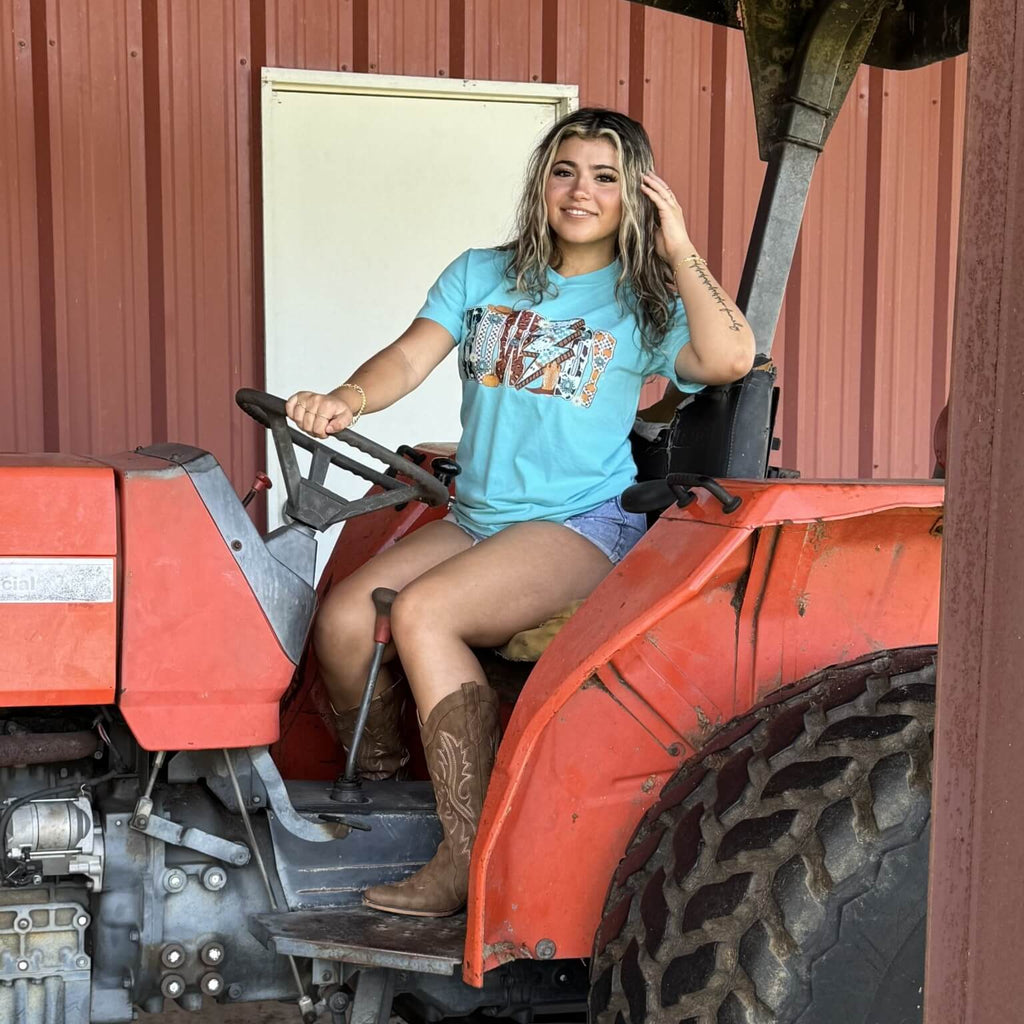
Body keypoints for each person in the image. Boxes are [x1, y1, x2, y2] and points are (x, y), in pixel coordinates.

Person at [285, 108, 755, 918]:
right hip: (478, 517)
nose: (581, 191)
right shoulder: (482, 273)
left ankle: (469, 854)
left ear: (634, 196)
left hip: (580, 522)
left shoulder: (642, 301)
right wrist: (349, 397)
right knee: (344, 621)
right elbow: (409, 354)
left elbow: (730, 357)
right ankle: (400, 791)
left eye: (606, 177)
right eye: (565, 170)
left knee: (425, 615)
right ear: (541, 180)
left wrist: (679, 247)